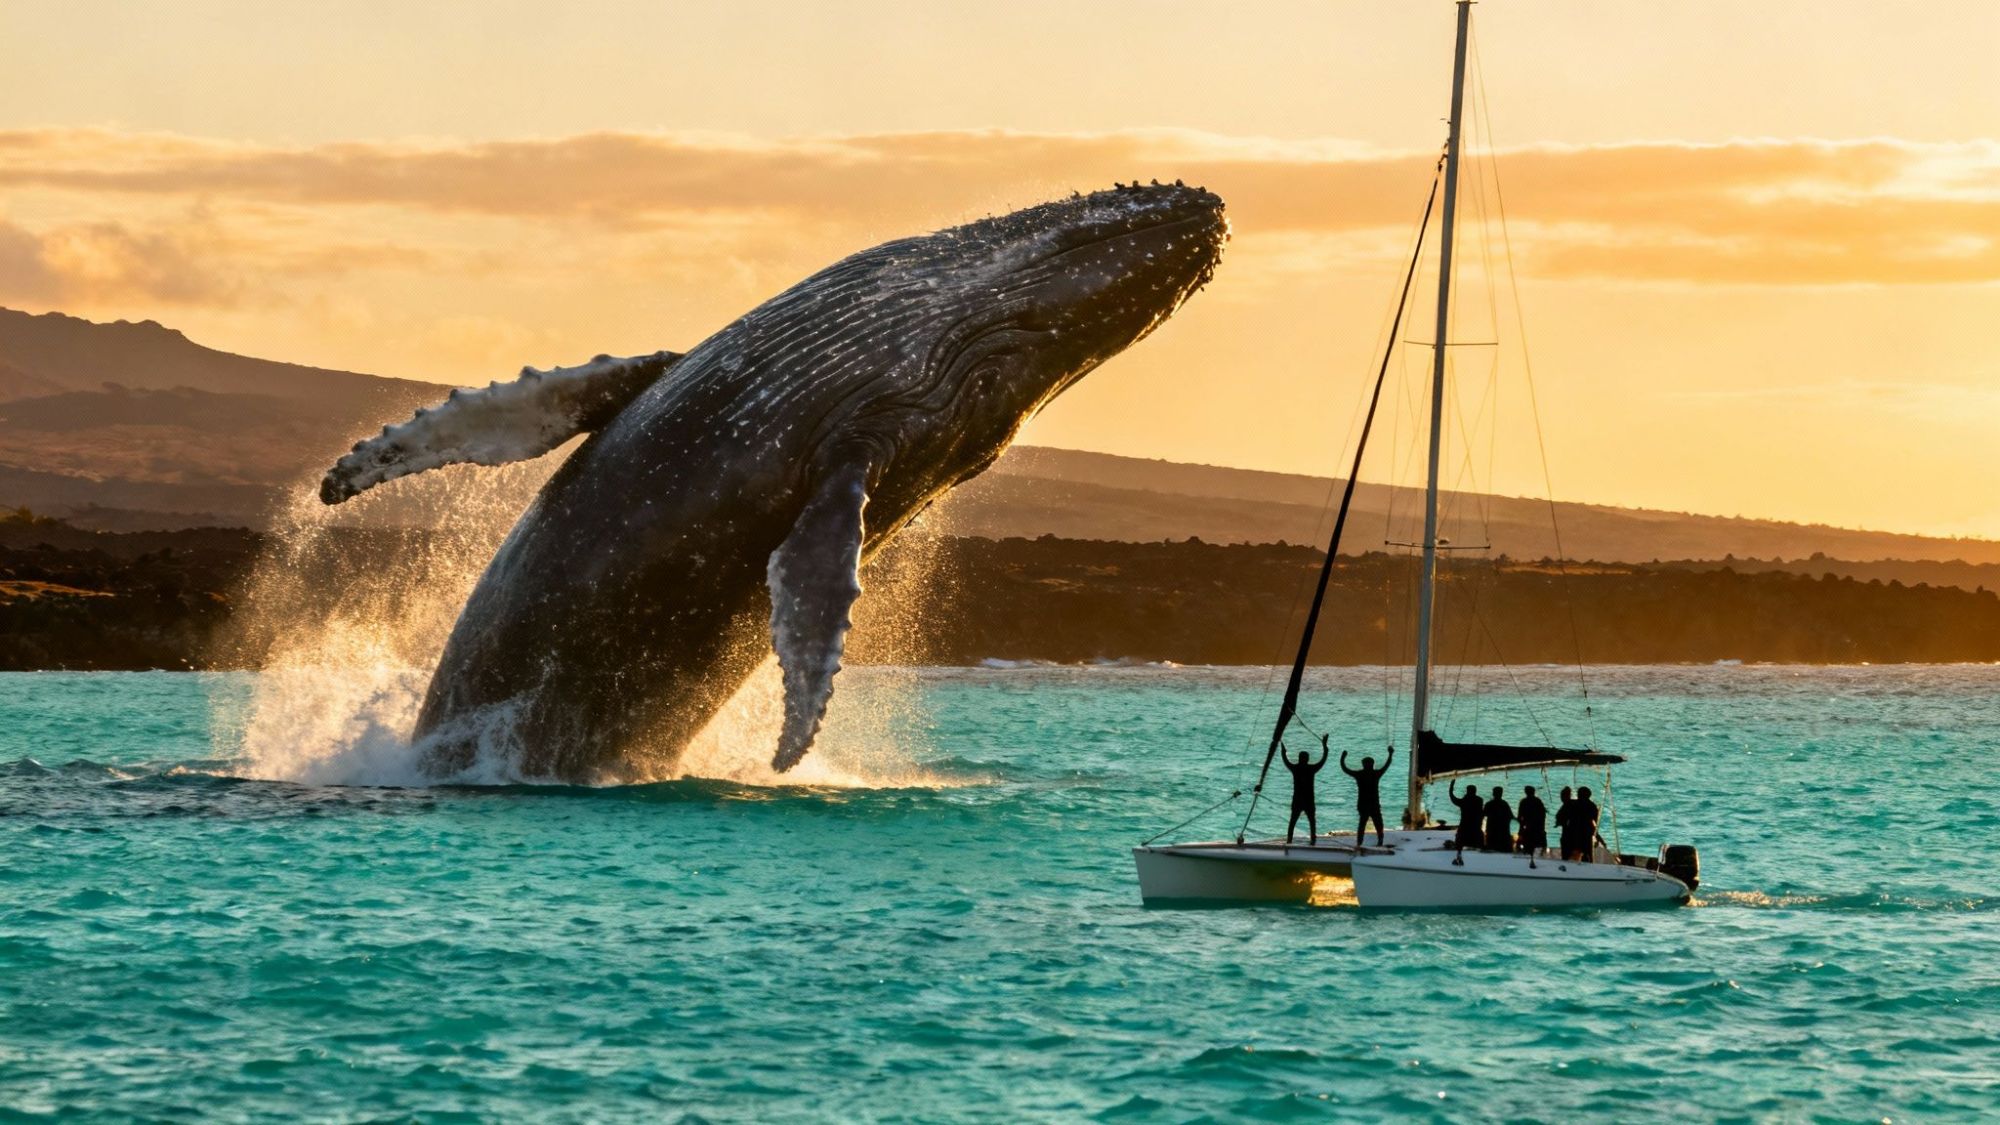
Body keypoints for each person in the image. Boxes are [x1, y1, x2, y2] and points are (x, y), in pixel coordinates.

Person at [1339, 742, 1395, 847]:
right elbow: (1387, 764)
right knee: (1378, 823)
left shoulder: (1359, 774)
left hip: (1363, 804)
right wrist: (1390, 754)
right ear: (1372, 765)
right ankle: (1380, 840)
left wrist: (1343, 757)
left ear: (1363, 764)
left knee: (1362, 824)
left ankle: (1360, 842)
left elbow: (1345, 769)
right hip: (1374, 804)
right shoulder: (1376, 774)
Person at [1282, 739, 1329, 845]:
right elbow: (1323, 760)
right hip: (1308, 800)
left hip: (1297, 799)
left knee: (1293, 821)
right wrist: (1325, 747)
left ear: (1299, 759)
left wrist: (1283, 751)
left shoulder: (1295, 768)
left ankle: (1289, 840)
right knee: (1312, 821)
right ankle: (1313, 840)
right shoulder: (1311, 769)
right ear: (1307, 759)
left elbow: (1285, 761)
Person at [1447, 780, 1483, 850]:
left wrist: (1451, 787)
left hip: (1464, 829)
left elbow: (1452, 798)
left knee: (1460, 846)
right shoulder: (1479, 800)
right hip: (1475, 830)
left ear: (1467, 791)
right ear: (1475, 791)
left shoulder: (1464, 801)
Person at [1570, 786, 1602, 861]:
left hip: (1576, 832)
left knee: (1575, 855)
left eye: (1579, 793)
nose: (1577, 795)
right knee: (1588, 854)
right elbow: (1596, 822)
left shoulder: (1573, 804)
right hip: (1587, 832)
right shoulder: (1592, 806)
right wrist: (1597, 837)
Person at [1516, 785, 1548, 855]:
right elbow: (1543, 816)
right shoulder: (1538, 802)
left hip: (1528, 830)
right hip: (1538, 830)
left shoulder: (1524, 802)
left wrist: (1520, 831)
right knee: (1537, 851)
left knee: (1526, 850)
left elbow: (1520, 818)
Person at [1483, 787, 1515, 853]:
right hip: (1503, 832)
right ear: (1501, 794)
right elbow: (1511, 816)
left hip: (1492, 831)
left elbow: (1483, 814)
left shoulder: (1489, 804)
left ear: (1493, 793)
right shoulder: (1505, 804)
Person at [1554, 786, 1575, 859]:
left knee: (1566, 855)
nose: (1561, 798)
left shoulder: (1568, 805)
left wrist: (1559, 822)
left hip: (1568, 835)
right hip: (1571, 834)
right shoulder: (1572, 803)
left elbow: (1559, 817)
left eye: (1562, 796)